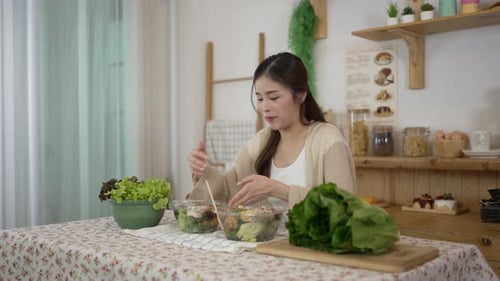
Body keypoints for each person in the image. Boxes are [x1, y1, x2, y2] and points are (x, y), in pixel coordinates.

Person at [188, 52, 356, 209]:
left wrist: (279, 190)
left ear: (301, 95)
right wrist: (204, 170)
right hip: (264, 239)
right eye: (260, 98)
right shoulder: (261, 142)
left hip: (310, 241)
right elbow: (227, 189)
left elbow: (343, 206)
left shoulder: (329, 140)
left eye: (273, 97)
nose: (264, 107)